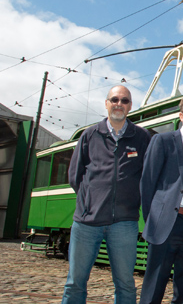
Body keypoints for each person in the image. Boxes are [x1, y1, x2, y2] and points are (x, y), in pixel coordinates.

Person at [62, 85, 151, 304]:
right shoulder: (90, 135)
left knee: (125, 284)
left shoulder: (141, 137)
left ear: (130, 106)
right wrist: (88, 202)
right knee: (75, 283)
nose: (119, 104)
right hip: (86, 223)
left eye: (124, 101)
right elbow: (75, 175)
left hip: (124, 223)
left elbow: (147, 176)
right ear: (106, 103)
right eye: (114, 99)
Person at [139, 95, 183, 304]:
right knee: (155, 284)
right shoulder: (162, 141)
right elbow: (147, 183)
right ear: (181, 115)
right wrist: (154, 220)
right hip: (167, 224)